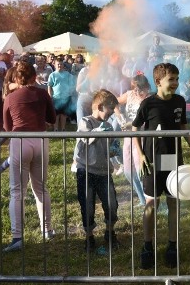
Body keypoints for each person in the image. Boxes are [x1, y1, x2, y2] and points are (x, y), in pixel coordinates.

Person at [132, 62, 189, 270]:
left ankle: (172, 246)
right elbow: (135, 128)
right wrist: (140, 155)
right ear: (158, 82)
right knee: (151, 205)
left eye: (177, 78)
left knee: (173, 204)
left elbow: (183, 126)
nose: (175, 83)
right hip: (152, 160)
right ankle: (148, 246)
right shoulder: (148, 104)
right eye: (171, 79)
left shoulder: (181, 101)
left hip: (173, 160)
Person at [1, 61, 56, 252]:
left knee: (17, 191)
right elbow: (52, 118)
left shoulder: (10, 97)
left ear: (16, 78)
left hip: (20, 141)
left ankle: (17, 237)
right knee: (41, 189)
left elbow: (7, 127)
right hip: (40, 141)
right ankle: (47, 230)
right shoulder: (42, 93)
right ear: (34, 76)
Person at [74, 89, 122, 254]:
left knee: (111, 204)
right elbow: (85, 137)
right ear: (100, 106)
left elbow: (112, 148)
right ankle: (89, 237)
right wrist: (98, 132)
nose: (112, 113)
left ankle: (110, 232)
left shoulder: (108, 125)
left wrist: (115, 147)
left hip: (103, 172)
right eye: (110, 108)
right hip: (86, 171)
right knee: (87, 205)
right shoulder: (85, 122)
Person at [116, 74, 151, 206]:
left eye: (140, 89)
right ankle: (142, 199)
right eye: (135, 88)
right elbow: (114, 102)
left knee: (140, 169)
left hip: (142, 137)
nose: (138, 92)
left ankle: (148, 200)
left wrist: (131, 124)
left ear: (146, 87)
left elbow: (147, 120)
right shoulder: (129, 94)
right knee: (128, 171)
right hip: (128, 137)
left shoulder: (149, 99)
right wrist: (120, 117)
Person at [47, 60, 76, 131]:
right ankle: (55, 128)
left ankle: (63, 128)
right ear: (54, 65)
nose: (59, 66)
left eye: (61, 64)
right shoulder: (52, 75)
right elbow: (49, 86)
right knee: (56, 114)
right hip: (56, 97)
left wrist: (71, 92)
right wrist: (50, 95)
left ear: (63, 65)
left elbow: (72, 84)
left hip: (66, 97)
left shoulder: (68, 74)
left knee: (63, 114)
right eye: (58, 64)